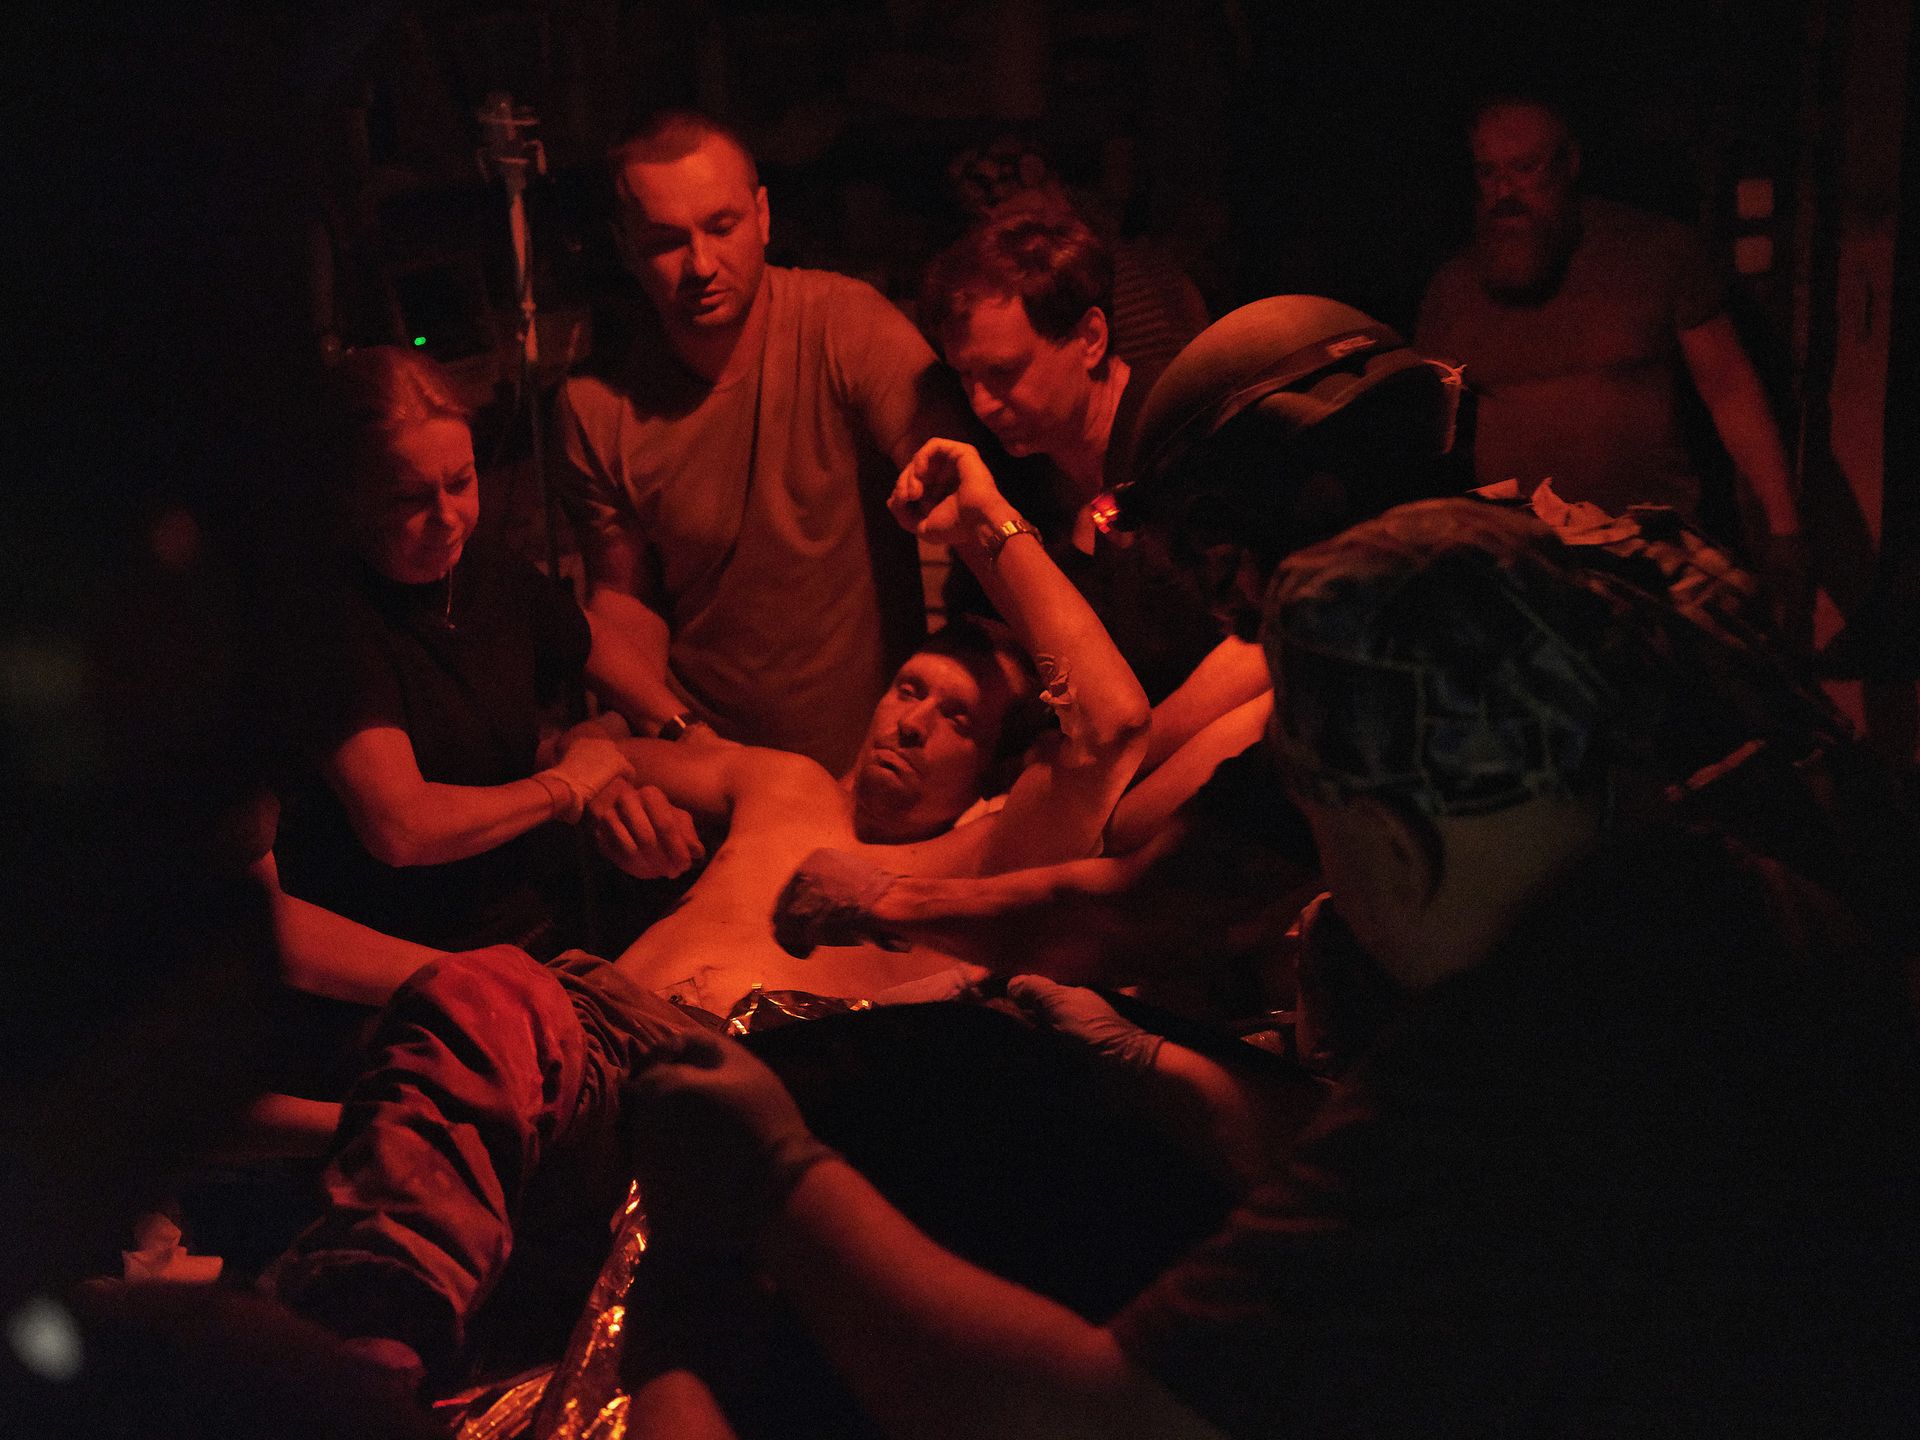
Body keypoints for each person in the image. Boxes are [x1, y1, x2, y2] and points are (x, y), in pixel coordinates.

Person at [619, 497, 1920, 1438]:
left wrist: (774, 1182)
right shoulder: (1740, 906)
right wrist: (1136, 1062)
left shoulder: (1521, 1057)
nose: (1310, 921)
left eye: (1322, 851)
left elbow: (1085, 1419)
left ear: (1397, 852)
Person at [262, 436, 1155, 1374]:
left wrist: (983, 519)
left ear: (990, 773)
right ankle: (344, 1358)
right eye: (908, 689)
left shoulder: (976, 867)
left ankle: (360, 1370)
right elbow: (587, 751)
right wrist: (607, 794)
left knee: (479, 1011)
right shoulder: (789, 784)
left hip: (728, 1106)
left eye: (957, 719)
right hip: (578, 1047)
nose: (912, 723)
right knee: (468, 1022)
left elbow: (1112, 725)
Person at [554, 110, 976, 773]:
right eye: (666, 241)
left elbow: (968, 488)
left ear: (763, 216)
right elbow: (626, 598)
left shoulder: (849, 327)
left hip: (867, 765)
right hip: (707, 758)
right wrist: (670, 734)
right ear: (624, 245)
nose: (700, 264)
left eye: (722, 228)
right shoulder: (595, 403)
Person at [267, 346, 701, 955]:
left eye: (461, 483)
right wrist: (565, 788)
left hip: (524, 923)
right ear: (349, 498)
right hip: (410, 960)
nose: (446, 517)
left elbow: (591, 644)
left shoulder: (481, 567)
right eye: (409, 499)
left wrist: (685, 730)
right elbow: (403, 826)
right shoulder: (329, 621)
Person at [1416, 95, 1807, 614]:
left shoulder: (1656, 253)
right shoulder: (1453, 289)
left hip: (1651, 567)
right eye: (1488, 173)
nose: (1505, 190)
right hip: (1514, 577)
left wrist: (1784, 530)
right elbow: (1421, 436)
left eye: (1525, 167)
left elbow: (1728, 386)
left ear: (1570, 163)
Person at [921, 210, 1220, 704]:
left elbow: (1257, 655)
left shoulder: (1181, 436)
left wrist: (1123, 766)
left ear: (1090, 339)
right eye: (965, 376)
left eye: (1003, 372)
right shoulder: (1020, 475)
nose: (982, 403)